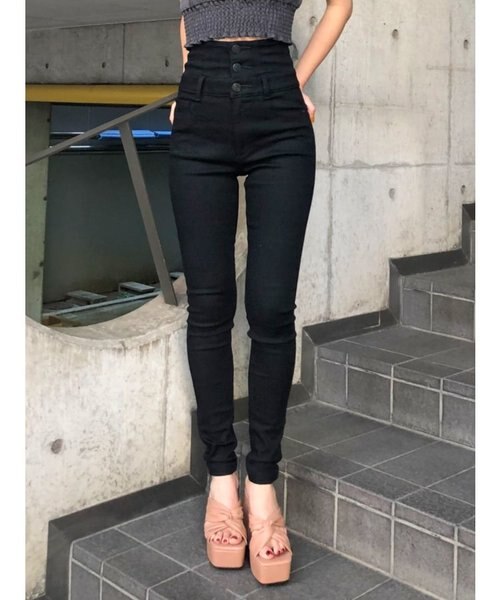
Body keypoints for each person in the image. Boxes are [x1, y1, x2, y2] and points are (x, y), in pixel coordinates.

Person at [168, 0, 353, 585]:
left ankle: (263, 484)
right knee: (208, 307)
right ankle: (222, 479)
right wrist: (189, 76)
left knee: (271, 310)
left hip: (279, 103)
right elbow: (186, 12)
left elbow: (341, 4)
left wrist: (295, 79)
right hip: (199, 103)